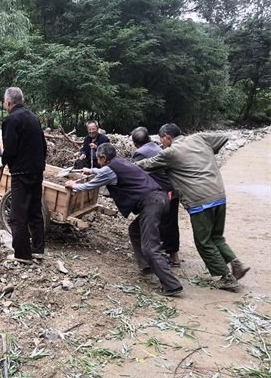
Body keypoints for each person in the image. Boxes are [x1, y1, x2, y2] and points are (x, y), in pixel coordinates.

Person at [136, 123, 250, 291]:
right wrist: (204, 155)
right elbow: (222, 138)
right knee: (216, 237)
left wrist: (123, 165)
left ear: (167, 137)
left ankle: (226, 277)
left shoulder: (171, 152)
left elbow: (147, 164)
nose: (161, 144)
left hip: (200, 201)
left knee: (203, 242)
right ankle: (236, 264)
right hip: (219, 195)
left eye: (162, 140)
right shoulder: (199, 138)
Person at [66, 143, 184, 296]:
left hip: (151, 204)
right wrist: (91, 170)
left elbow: (91, 185)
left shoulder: (109, 169)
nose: (98, 162)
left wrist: (74, 185)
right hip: (160, 198)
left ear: (104, 158)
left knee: (150, 247)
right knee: (134, 230)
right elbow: (105, 172)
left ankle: (172, 285)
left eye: (98, 159)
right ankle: (146, 265)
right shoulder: (121, 162)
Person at [1, 87, 47, 263]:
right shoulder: (33, 117)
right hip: (37, 170)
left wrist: (3, 162)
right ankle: (38, 249)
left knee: (18, 214)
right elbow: (43, 144)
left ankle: (22, 254)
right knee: (35, 211)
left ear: (8, 103)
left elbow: (10, 148)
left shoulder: (11, 120)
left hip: (21, 172)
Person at [131, 127, 181, 266]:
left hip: (163, 193)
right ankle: (172, 254)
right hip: (173, 190)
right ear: (148, 138)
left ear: (134, 143)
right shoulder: (157, 147)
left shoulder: (140, 153)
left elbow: (136, 174)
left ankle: (156, 258)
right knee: (170, 222)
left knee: (156, 223)